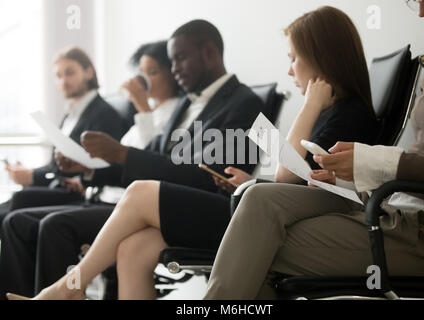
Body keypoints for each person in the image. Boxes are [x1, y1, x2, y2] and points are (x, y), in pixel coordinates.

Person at [203, 2, 424, 299]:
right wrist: (352, 176)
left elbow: (285, 177)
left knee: (255, 243)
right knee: (255, 213)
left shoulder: (349, 114)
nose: (422, 11)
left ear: (321, 58)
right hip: (399, 211)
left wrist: (374, 163)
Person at [4, 19, 264, 300]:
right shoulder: (186, 105)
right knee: (131, 249)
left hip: (217, 210)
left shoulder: (245, 102)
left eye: (179, 59)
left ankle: (68, 287)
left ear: (209, 53)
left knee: (137, 193)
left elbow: (210, 176)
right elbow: (154, 158)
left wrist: (124, 154)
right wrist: (90, 170)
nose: (174, 68)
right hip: (169, 208)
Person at [0, 40, 182, 299]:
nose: (145, 81)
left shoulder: (171, 113)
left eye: (152, 72)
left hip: (127, 204)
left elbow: (154, 162)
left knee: (53, 225)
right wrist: (88, 176)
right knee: (18, 219)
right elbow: (121, 165)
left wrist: (142, 108)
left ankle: (65, 292)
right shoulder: (148, 115)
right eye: (142, 74)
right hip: (104, 195)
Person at [0, 46, 124, 228]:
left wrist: (33, 176)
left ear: (89, 72)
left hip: (80, 192)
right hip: (59, 186)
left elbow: (92, 168)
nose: (63, 80)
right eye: (58, 76)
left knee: (20, 198)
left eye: (70, 73)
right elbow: (55, 166)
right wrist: (28, 173)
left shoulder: (105, 114)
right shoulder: (69, 116)